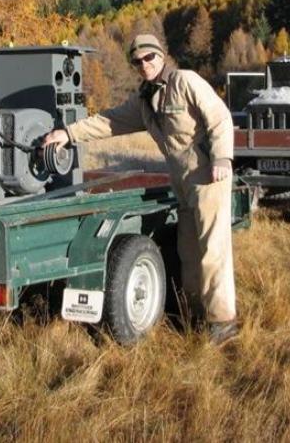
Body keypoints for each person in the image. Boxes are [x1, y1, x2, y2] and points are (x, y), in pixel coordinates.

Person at [42, 33, 237, 344]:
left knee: (213, 250)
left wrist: (223, 158)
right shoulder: (145, 100)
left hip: (208, 175)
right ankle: (194, 314)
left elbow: (220, 118)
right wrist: (67, 133)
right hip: (182, 181)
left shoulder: (185, 81)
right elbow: (109, 122)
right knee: (188, 250)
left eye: (149, 58)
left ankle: (222, 322)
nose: (144, 64)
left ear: (161, 56)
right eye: (138, 61)